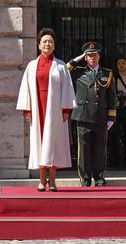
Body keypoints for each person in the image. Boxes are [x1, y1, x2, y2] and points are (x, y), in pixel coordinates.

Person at [17, 28, 76, 192]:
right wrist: (27, 110)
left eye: (50, 41)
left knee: (53, 143)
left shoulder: (61, 66)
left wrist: (66, 109)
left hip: (55, 110)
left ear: (54, 45)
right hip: (38, 108)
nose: (47, 44)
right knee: (39, 143)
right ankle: (42, 180)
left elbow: (67, 89)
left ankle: (53, 180)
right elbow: (25, 89)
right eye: (44, 41)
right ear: (39, 45)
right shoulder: (31, 66)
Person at [67, 42, 116, 187]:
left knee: (100, 149)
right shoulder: (78, 72)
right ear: (85, 58)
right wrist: (78, 59)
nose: (92, 58)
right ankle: (86, 179)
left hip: (100, 116)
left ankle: (99, 178)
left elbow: (111, 97)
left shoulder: (107, 74)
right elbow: (64, 70)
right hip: (82, 115)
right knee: (84, 151)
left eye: (94, 55)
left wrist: (111, 117)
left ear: (99, 56)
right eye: (89, 55)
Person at [109, 56, 126, 168]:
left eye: (123, 63)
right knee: (113, 135)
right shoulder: (113, 77)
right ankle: (114, 160)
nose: (121, 65)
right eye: (119, 63)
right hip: (115, 109)